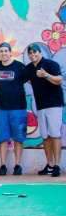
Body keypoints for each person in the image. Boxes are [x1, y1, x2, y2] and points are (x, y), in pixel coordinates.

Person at [0, 42, 27, 176]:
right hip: (1, 109)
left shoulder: (20, 67)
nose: (3, 53)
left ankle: (18, 165)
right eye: (1, 51)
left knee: (18, 138)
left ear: (10, 52)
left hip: (18, 108)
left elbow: (31, 79)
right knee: (2, 138)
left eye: (6, 51)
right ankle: (3, 165)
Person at [24, 43, 64, 177]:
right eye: (30, 53)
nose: (32, 55)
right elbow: (21, 78)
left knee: (55, 134)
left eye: (35, 52)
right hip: (40, 106)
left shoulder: (50, 64)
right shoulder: (29, 68)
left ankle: (57, 165)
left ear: (40, 52)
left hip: (54, 105)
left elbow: (59, 80)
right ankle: (50, 165)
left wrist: (46, 75)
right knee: (45, 136)